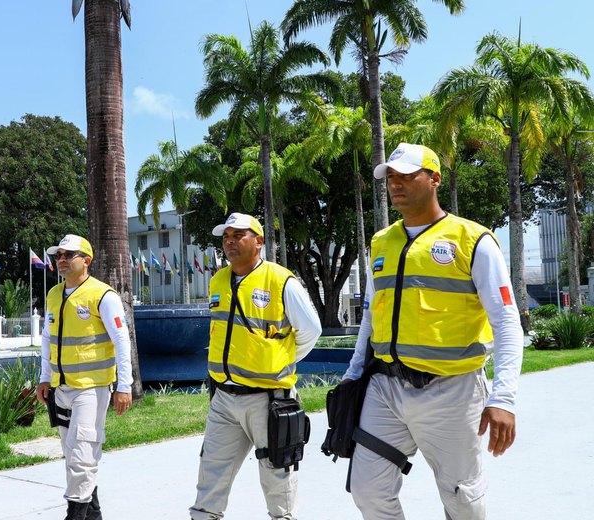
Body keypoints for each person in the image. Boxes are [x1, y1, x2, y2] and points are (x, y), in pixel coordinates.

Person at [343, 143, 523, 519]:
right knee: (367, 489)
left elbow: (506, 321)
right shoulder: (381, 242)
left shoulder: (473, 241)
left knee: (462, 498)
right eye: (391, 177)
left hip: (452, 392)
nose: (396, 184)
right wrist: (353, 373)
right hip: (386, 388)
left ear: (434, 178)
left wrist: (503, 398)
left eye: (407, 175)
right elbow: (371, 317)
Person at [190, 213, 322, 520]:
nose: (230, 242)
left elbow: (311, 329)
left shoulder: (280, 280)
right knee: (211, 472)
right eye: (226, 237)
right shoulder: (218, 280)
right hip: (224, 397)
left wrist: (279, 360)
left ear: (259, 241)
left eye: (239, 235)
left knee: (277, 475)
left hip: (269, 400)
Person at [34, 234, 133, 520]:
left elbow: (121, 341)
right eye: (58, 255)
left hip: (92, 388)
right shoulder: (54, 294)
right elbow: (47, 339)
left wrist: (123, 386)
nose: (61, 260)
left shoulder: (103, 295)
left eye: (68, 255)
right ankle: (94, 515)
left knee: (81, 455)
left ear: (86, 260)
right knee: (75, 456)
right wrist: (44, 378)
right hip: (60, 388)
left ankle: (74, 516)